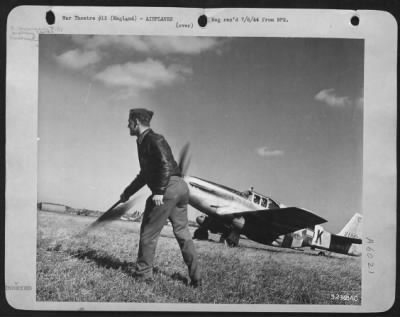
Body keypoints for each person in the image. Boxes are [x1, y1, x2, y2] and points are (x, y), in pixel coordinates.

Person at [120, 108, 202, 287]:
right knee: (183, 233)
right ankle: (197, 278)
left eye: (129, 122)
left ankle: (143, 277)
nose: (127, 125)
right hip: (178, 187)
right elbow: (144, 175)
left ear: (136, 122)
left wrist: (159, 191)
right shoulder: (144, 141)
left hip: (169, 188)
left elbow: (165, 163)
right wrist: (127, 192)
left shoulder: (154, 139)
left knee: (148, 233)